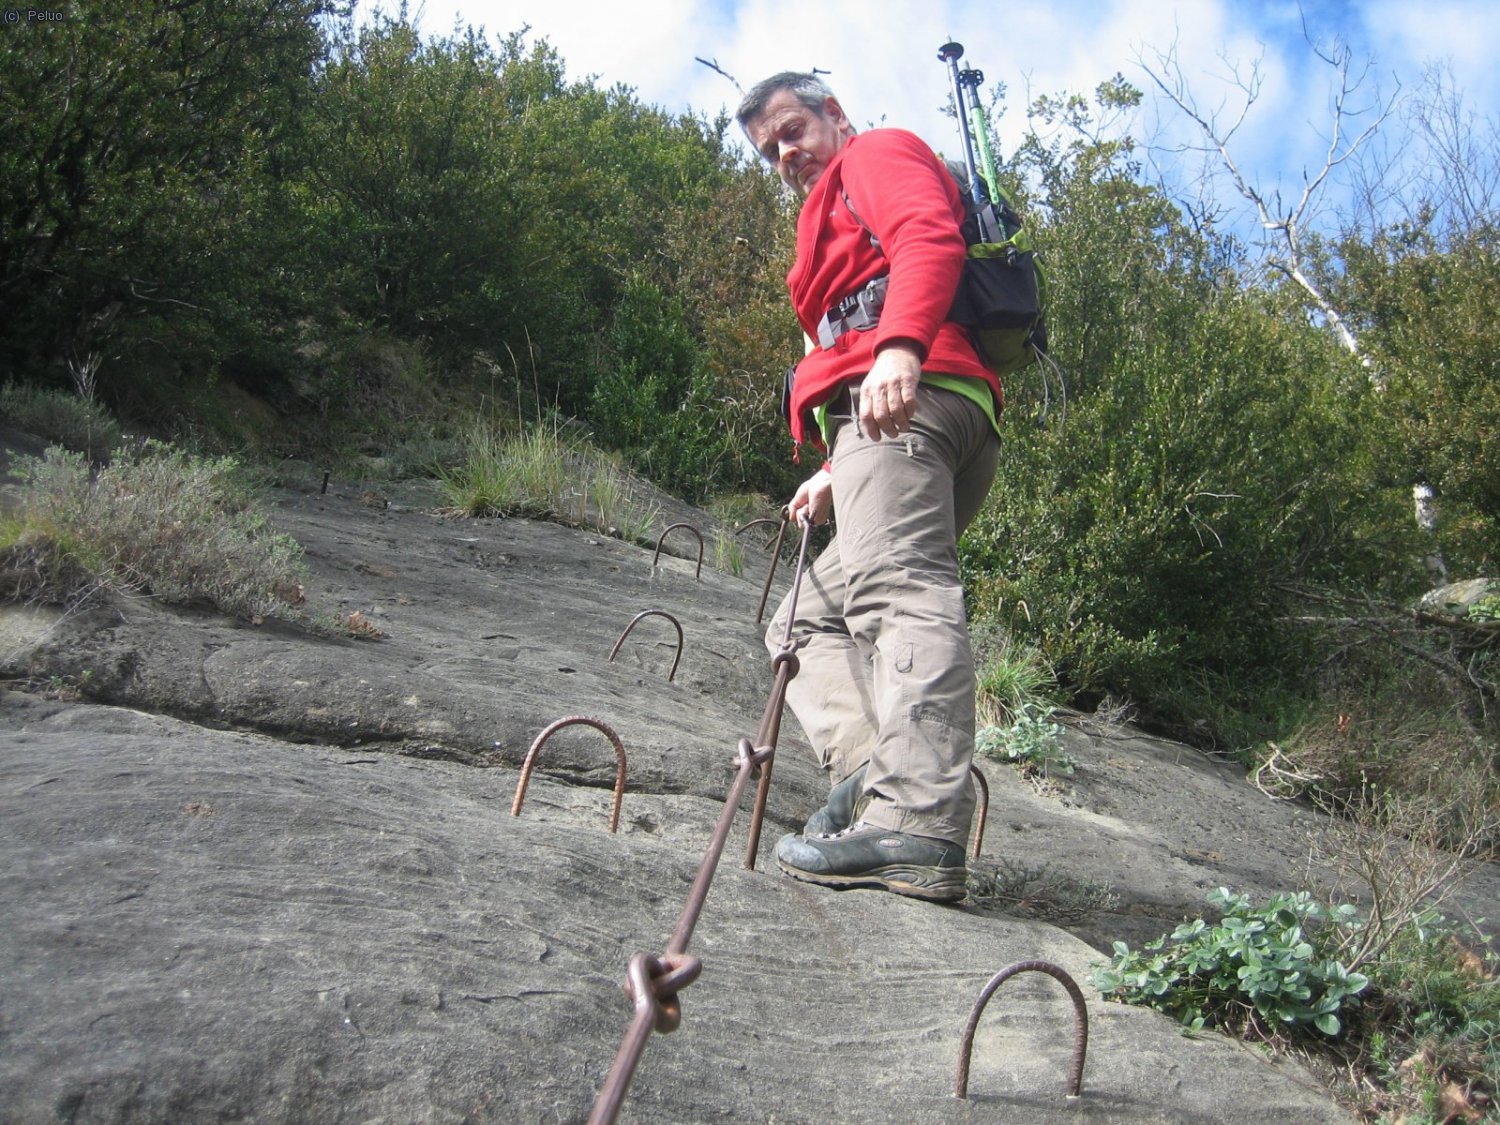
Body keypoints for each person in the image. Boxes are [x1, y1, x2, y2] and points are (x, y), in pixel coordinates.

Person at [736, 73, 1003, 902]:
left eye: (792, 129)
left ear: (834, 116)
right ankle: (868, 776)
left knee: (902, 594)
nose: (785, 153)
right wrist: (828, 467)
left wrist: (899, 348)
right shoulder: (823, 221)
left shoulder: (877, 154)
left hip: (907, 403)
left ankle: (917, 824)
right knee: (803, 617)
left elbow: (927, 238)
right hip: (885, 424)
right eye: (769, 149)